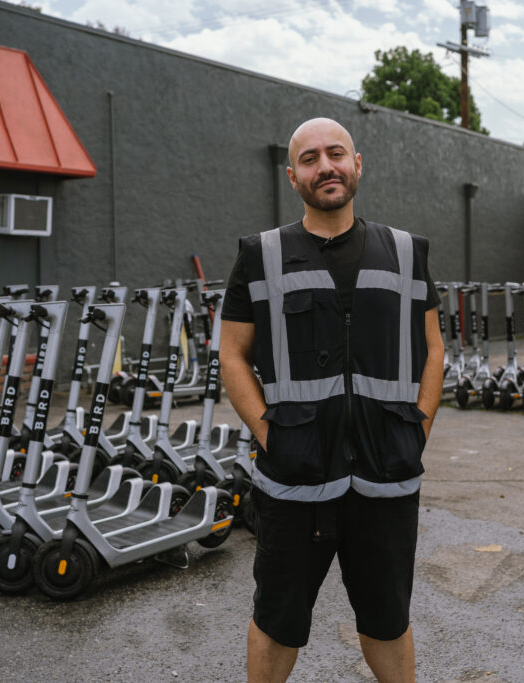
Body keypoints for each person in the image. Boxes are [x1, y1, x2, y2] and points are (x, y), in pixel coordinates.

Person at [219, 117, 444, 682]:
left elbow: (433, 350)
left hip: (385, 475)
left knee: (388, 619)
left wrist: (416, 428)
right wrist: (269, 432)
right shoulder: (260, 255)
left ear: (357, 164)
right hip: (295, 478)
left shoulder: (406, 252)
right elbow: (231, 355)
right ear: (292, 175)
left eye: (336, 154)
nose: (326, 167)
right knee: (277, 619)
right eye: (311, 158)